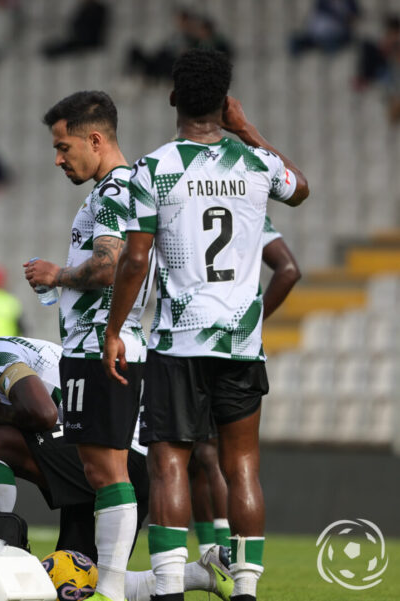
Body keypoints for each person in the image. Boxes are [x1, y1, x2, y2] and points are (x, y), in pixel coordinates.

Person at [103, 48, 309, 601]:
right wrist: (250, 130)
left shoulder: (152, 169)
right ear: (226, 102)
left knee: (171, 462)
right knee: (242, 466)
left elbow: (136, 260)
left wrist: (115, 329)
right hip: (242, 343)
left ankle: (169, 587)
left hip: (179, 340)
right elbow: (301, 187)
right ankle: (245, 588)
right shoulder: (256, 165)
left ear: (173, 97)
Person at [0, 339, 233, 601]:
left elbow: (43, 412)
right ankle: (203, 573)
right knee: (74, 585)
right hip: (110, 466)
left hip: (123, 455)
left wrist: (1, 421)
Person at [23, 90, 151, 601]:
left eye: (64, 147)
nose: (58, 159)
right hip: (103, 343)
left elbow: (108, 264)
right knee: (103, 468)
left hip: (102, 344)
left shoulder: (115, 190)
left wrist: (59, 275)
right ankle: (114, 584)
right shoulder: (121, 187)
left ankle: (113, 587)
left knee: (105, 469)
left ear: (95, 139)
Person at [189, 216, 301, 558]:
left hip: (190, 341)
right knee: (236, 463)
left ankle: (212, 550)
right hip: (239, 346)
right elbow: (289, 270)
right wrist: (251, 322)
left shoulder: (181, 191)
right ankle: (237, 569)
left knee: (190, 458)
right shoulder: (250, 203)